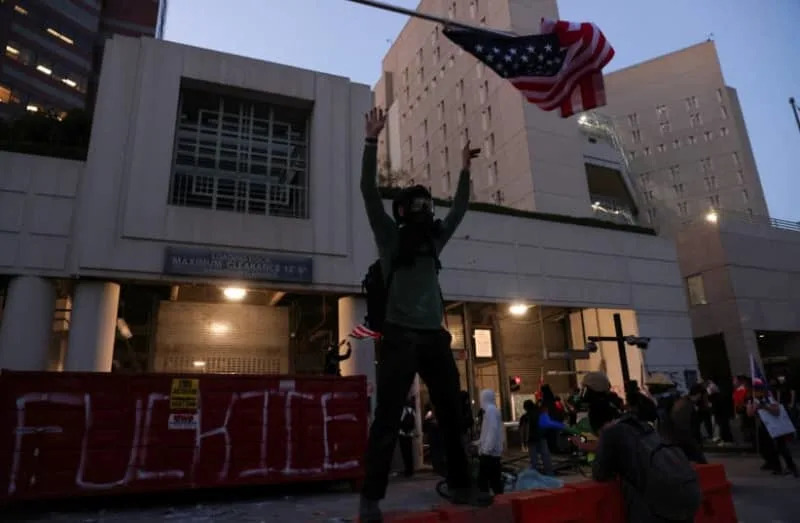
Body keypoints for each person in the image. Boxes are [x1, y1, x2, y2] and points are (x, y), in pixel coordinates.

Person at [358, 108, 488, 522]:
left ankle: (463, 485)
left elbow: (460, 211)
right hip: (398, 336)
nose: (425, 209)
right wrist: (371, 141)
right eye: (417, 203)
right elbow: (366, 191)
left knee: (453, 412)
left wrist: (465, 170)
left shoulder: (433, 243)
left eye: (426, 203)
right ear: (402, 210)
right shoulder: (390, 239)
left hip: (433, 337)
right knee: (387, 417)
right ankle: (371, 499)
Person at [590, 396, 701, 523]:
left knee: (633, 492)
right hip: (689, 488)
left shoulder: (610, 433)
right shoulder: (641, 426)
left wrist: (598, 448)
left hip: (661, 500)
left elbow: (599, 473)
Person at [747, 380, 798, 477]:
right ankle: (776, 467)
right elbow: (749, 414)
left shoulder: (769, 398)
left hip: (775, 426)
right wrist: (754, 408)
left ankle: (792, 467)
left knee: (781, 447)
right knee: (766, 448)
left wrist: (764, 406)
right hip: (764, 426)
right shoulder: (752, 399)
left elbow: (776, 412)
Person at [662, 384, 708, 464]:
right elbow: (684, 428)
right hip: (684, 441)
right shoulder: (685, 405)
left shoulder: (683, 403)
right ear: (699, 395)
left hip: (681, 441)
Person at [519, 399, 567, 475]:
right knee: (545, 456)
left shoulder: (525, 417)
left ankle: (536, 474)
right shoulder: (540, 414)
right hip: (542, 437)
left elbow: (522, 430)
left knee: (534, 458)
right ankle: (549, 472)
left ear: (525, 408)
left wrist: (523, 442)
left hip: (531, 440)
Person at [476, 389, 504, 495]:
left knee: (485, 480)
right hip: (491, 453)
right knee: (494, 480)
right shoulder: (490, 410)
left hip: (490, 454)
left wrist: (486, 449)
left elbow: (492, 430)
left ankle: (487, 501)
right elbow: (487, 431)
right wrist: (479, 442)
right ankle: (498, 500)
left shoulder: (491, 411)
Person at [398, 397, 416, 477]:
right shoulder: (412, 411)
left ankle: (407, 471)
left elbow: (400, 422)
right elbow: (414, 423)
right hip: (409, 434)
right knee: (409, 452)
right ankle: (410, 470)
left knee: (405, 453)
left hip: (403, 434)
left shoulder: (403, 411)